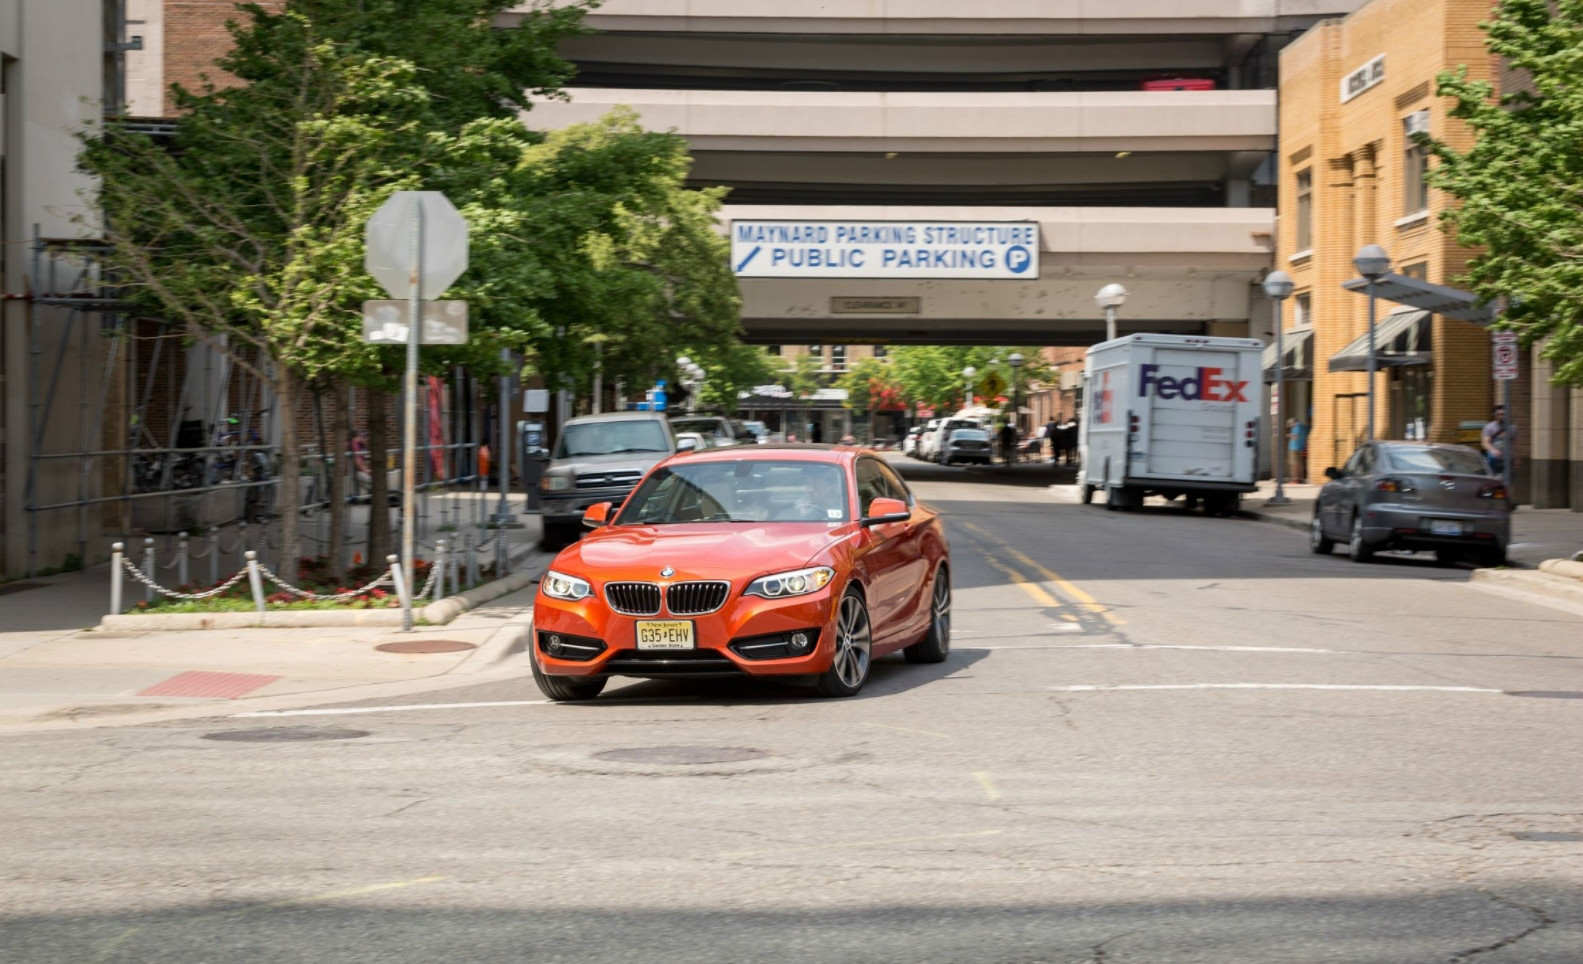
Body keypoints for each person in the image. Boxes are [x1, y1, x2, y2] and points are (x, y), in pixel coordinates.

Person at [1482, 405, 1518, 476]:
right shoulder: (1489, 427)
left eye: (1503, 414)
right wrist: (1494, 451)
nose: (1500, 416)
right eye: (1498, 415)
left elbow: (1515, 443)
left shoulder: (1512, 428)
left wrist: (1517, 458)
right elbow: (1485, 443)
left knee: (1509, 478)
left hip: (1508, 458)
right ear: (1495, 416)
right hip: (1495, 459)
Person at [1286, 418, 1308, 482]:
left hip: (1294, 448)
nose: (1290, 426)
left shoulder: (1296, 427)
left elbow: (1295, 437)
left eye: (1290, 424)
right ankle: (1300, 478)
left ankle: (1294, 479)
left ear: (1293, 423)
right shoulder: (1303, 427)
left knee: (1294, 464)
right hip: (1301, 447)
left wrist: (1289, 435)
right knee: (1300, 463)